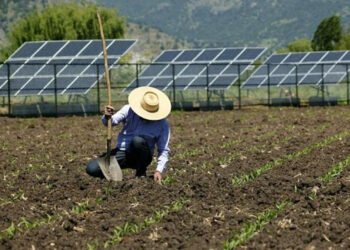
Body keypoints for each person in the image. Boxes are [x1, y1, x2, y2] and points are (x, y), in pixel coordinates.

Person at [86, 86, 171, 182]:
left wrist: (159, 171)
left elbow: (163, 150)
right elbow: (111, 122)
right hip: (123, 152)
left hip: (143, 156)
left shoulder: (162, 124)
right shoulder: (128, 110)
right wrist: (107, 116)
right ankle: (114, 177)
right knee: (91, 168)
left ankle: (141, 173)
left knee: (137, 141)